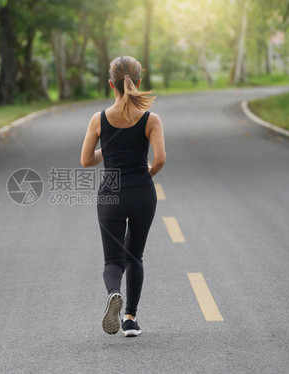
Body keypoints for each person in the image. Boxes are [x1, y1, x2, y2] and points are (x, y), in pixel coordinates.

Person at [80, 56, 166, 337]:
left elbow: (85, 160)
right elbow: (161, 159)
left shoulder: (99, 119)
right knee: (135, 256)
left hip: (110, 193)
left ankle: (113, 293)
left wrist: (111, 145)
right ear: (138, 82)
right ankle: (130, 318)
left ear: (110, 84)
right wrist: (148, 173)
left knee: (112, 260)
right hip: (142, 191)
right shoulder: (151, 119)